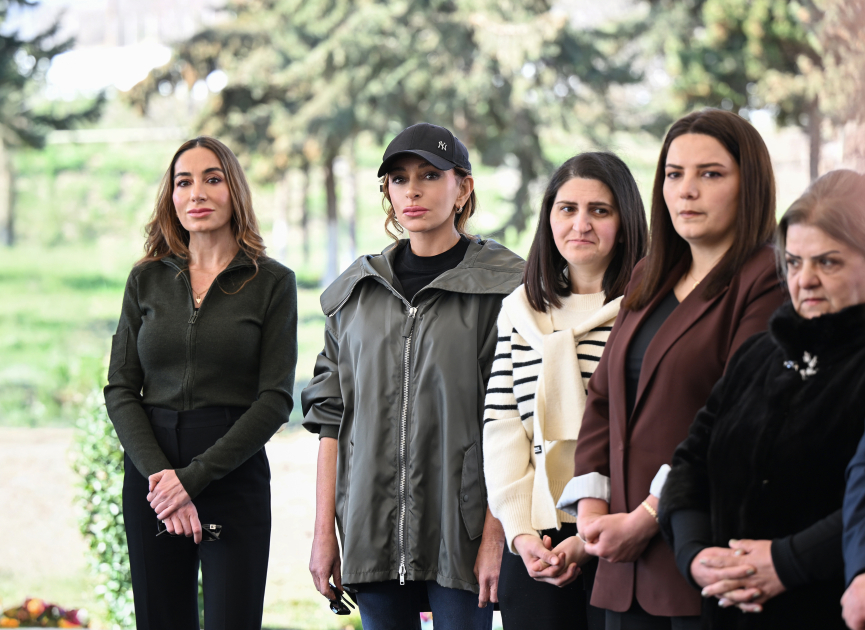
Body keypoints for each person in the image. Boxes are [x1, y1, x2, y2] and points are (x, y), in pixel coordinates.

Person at [556, 108, 786, 629]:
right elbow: (603, 397)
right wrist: (592, 510)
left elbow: (735, 422)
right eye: (674, 174)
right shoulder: (649, 274)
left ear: (749, 185)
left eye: (710, 174)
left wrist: (648, 517)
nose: (686, 191)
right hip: (624, 568)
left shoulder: (766, 280)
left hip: (703, 560)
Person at [302, 122, 524, 630]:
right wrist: (323, 535)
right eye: (399, 179)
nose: (413, 190)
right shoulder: (355, 294)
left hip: (462, 535)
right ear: (387, 193)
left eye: (429, 174)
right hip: (370, 529)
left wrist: (496, 539)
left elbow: (511, 422)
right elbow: (329, 422)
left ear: (462, 187)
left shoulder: (504, 288)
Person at [103, 137, 298, 629]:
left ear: (233, 191)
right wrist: (162, 481)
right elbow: (121, 389)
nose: (197, 193)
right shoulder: (145, 280)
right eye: (183, 182)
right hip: (153, 479)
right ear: (171, 197)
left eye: (212, 179)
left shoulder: (272, 282)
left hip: (232, 475)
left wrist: (192, 480)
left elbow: (274, 400)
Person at [659, 169, 865, 629]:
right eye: (793, 262)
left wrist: (788, 561)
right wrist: (696, 557)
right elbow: (691, 461)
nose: (804, 280)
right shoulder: (760, 353)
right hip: (726, 610)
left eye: (827, 263)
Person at [482, 152, 647, 630]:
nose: (581, 223)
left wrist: (589, 534)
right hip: (537, 535)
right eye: (567, 208)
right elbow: (502, 423)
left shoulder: (647, 307)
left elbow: (647, 429)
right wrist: (519, 533)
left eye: (600, 210)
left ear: (626, 220)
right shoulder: (519, 310)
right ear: (549, 218)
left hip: (621, 529)